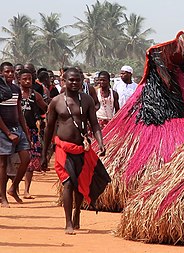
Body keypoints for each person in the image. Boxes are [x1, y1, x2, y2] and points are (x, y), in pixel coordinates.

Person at [40, 67, 110, 234]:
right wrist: (44, 155)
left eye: (77, 80)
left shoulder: (87, 101)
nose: (74, 83)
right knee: (68, 183)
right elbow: (49, 130)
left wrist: (101, 143)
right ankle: (68, 222)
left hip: (81, 148)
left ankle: (77, 211)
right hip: (63, 148)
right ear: (64, 80)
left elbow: (94, 124)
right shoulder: (56, 102)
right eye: (71, 80)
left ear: (81, 81)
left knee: (80, 183)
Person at [0, 62, 31, 208]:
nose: (10, 74)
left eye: (12, 72)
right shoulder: (1, 90)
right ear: (1, 73)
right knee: (3, 164)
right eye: (7, 72)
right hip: (3, 130)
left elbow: (19, 112)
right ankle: (3, 196)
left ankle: (13, 188)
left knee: (26, 158)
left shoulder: (15, 89)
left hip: (16, 127)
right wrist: (7, 133)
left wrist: (25, 132)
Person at [19, 69, 48, 199]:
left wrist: (44, 120)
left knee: (30, 162)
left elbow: (46, 108)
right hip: (16, 131)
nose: (27, 81)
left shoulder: (35, 95)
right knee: (10, 160)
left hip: (31, 131)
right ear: (19, 79)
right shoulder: (14, 94)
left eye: (30, 79)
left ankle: (26, 190)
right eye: (24, 79)